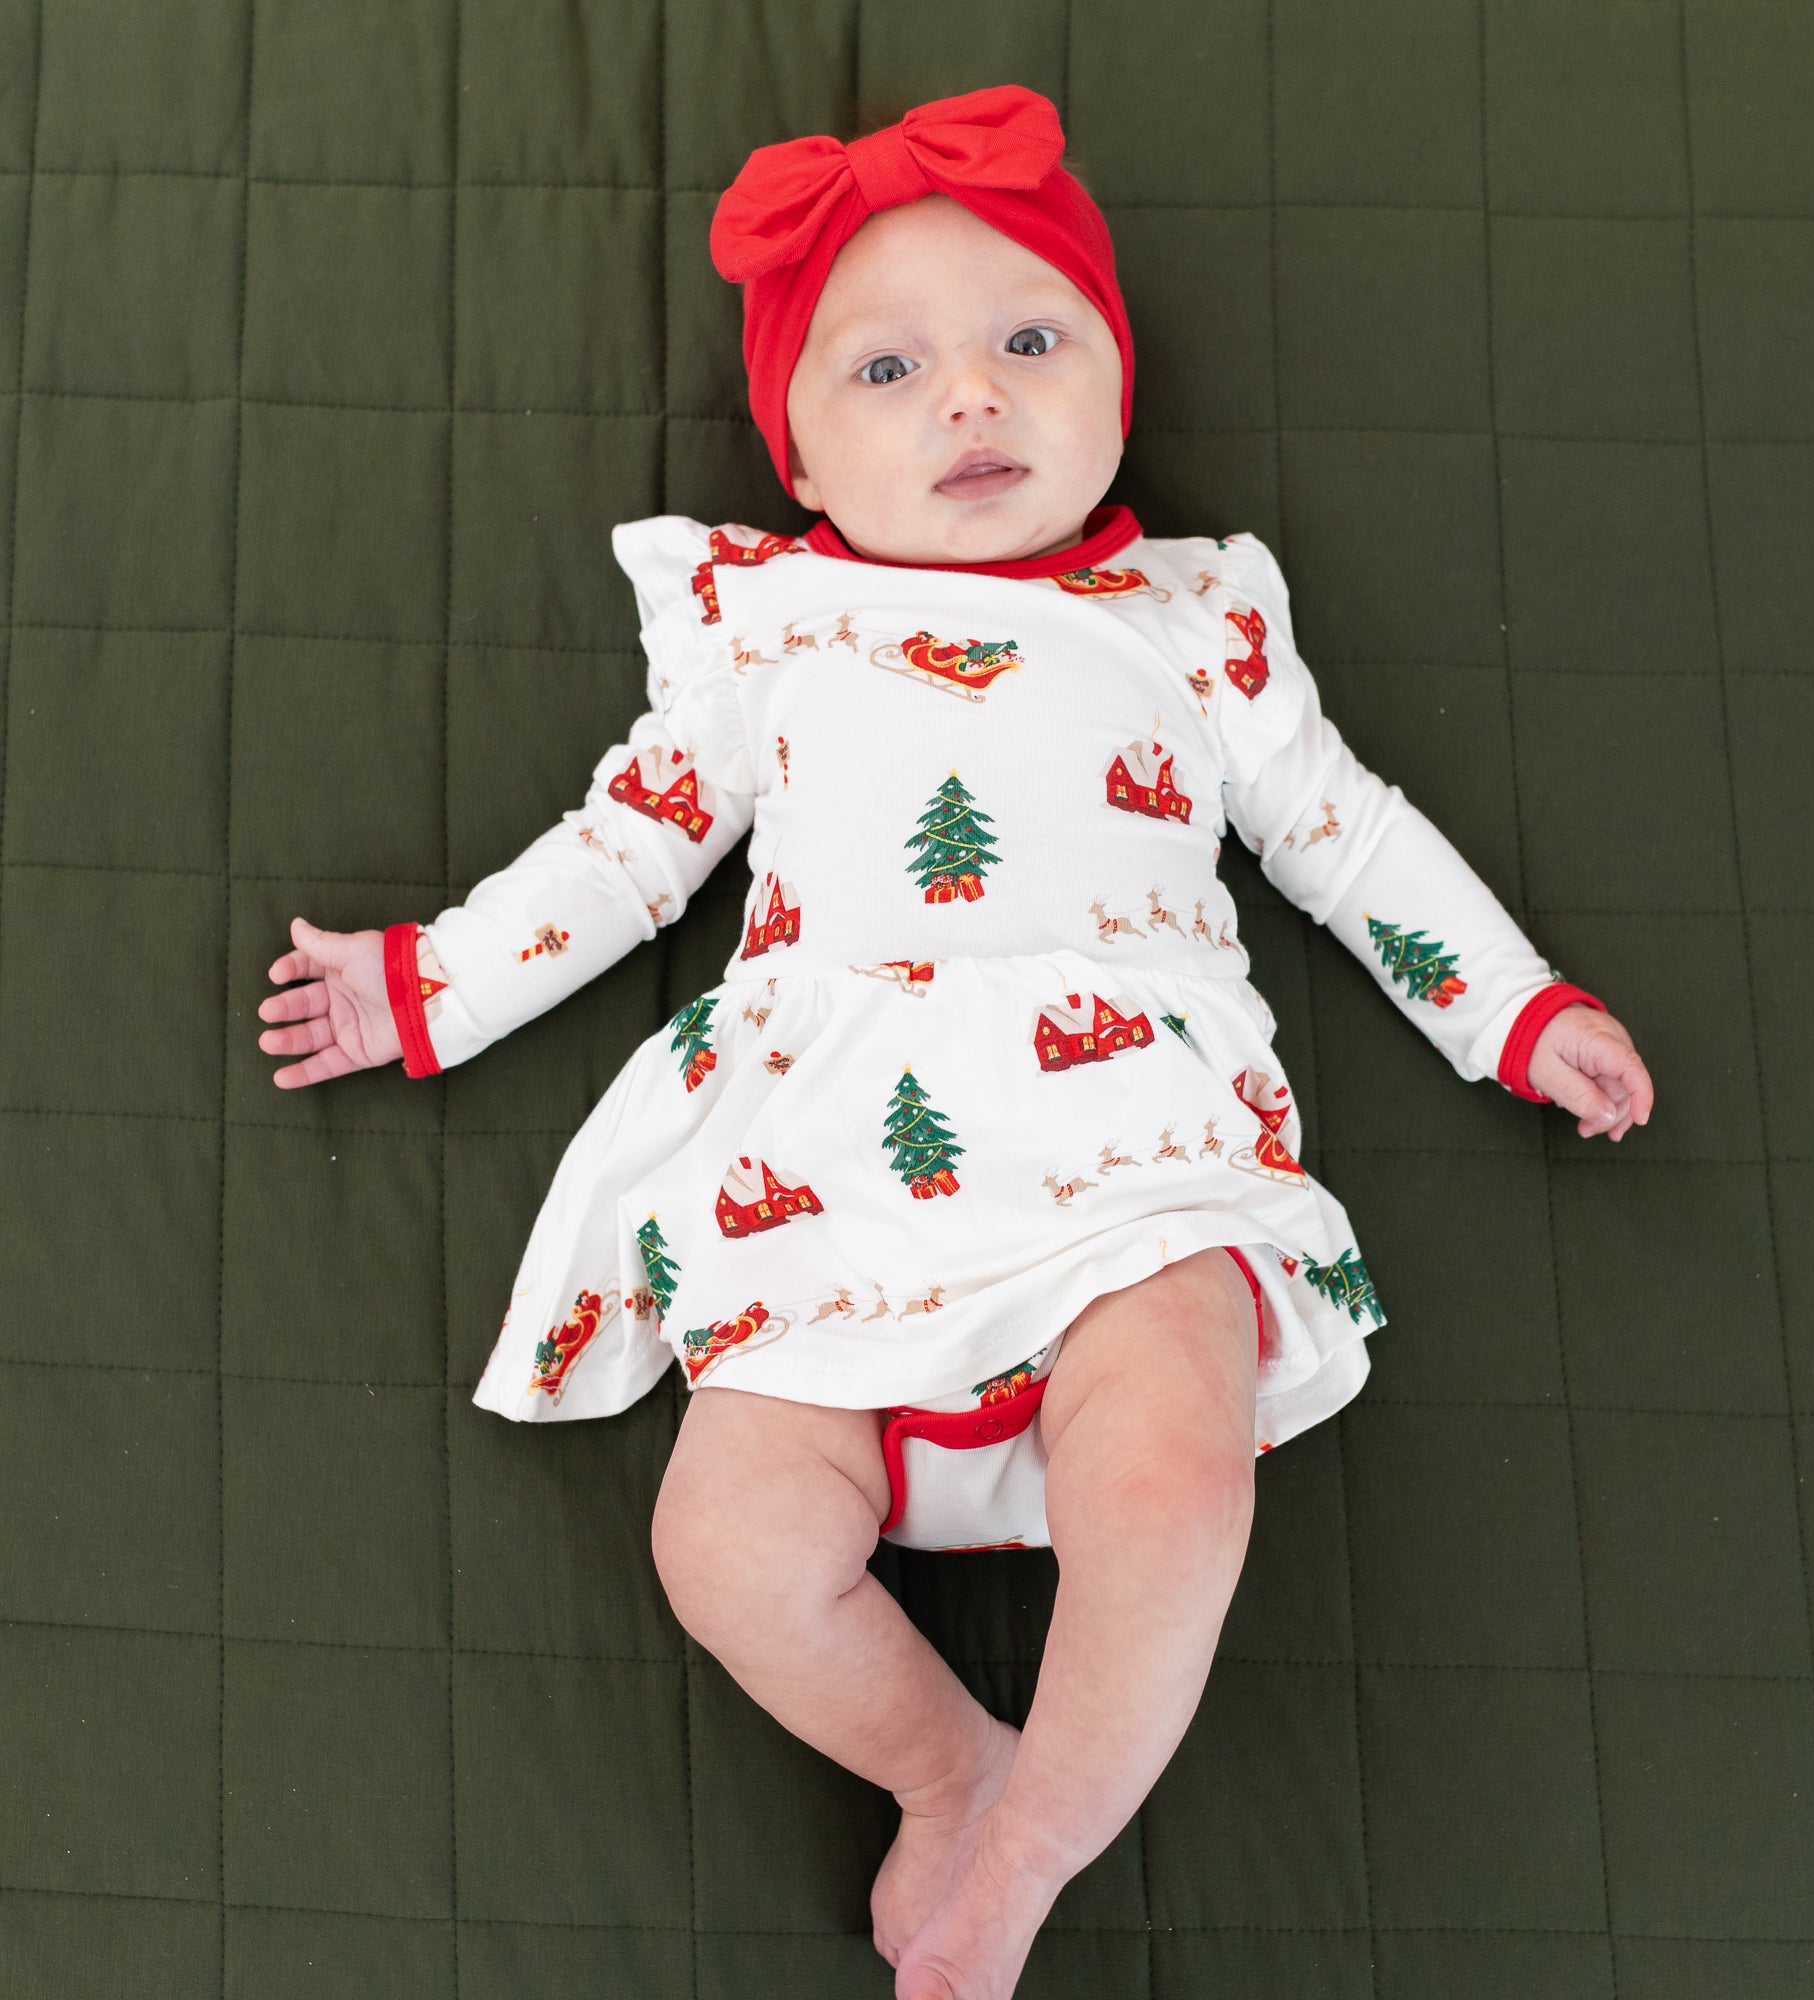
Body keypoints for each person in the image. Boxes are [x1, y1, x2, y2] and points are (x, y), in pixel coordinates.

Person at [256, 84, 1654, 2000]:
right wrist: (430, 984)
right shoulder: (772, 625)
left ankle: (1031, 1860)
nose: (974, 398)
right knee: (724, 1545)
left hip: (1129, 1173)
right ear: (804, 459)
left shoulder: (1190, 618)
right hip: (833, 1179)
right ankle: (952, 1773)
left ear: (1116, 383)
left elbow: (1348, 838)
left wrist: (1519, 1008)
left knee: (1176, 1479)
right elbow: (626, 850)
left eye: (1030, 343)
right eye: (891, 369)